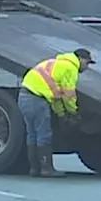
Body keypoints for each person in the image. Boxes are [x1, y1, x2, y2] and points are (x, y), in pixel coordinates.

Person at [18, 48, 94, 177]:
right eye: (87, 63)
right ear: (80, 59)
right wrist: (73, 112)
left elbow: (55, 96)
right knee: (44, 135)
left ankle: (35, 169)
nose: (87, 67)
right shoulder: (70, 68)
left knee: (32, 134)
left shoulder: (56, 63)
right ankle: (47, 169)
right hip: (37, 99)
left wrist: (61, 114)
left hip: (24, 96)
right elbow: (68, 94)